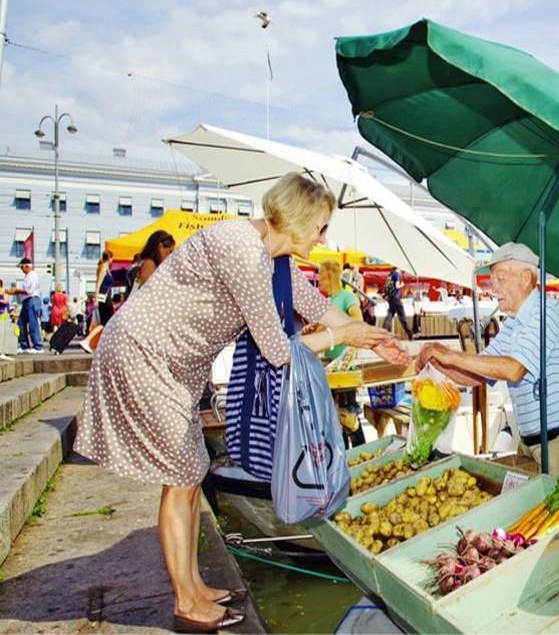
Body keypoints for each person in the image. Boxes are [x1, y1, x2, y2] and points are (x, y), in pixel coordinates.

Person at [75, 173, 409, 632]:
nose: (324, 237)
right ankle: (186, 601)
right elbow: (277, 349)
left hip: (172, 365)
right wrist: (341, 335)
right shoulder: (242, 249)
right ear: (300, 217)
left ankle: (193, 586)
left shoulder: (272, 256)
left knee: (190, 473)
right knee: (183, 476)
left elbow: (318, 309)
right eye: (321, 226)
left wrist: (375, 340)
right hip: (146, 355)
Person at [417, 242, 559, 475]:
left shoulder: (547, 312)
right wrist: (438, 364)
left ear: (525, 278)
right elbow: (476, 375)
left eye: (500, 279)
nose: (493, 288)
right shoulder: (513, 324)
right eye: (492, 281)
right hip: (530, 443)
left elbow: (513, 370)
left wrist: (449, 355)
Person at [317, 259, 366, 448]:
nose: (319, 280)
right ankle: (344, 458)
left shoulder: (347, 297)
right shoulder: (328, 301)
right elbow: (320, 330)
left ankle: (361, 453)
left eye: (321, 275)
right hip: (331, 367)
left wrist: (340, 334)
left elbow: (357, 319)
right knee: (336, 419)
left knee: (348, 416)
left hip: (345, 367)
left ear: (329, 276)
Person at [7, 258, 44, 353]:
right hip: (27, 301)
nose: (21, 270)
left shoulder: (32, 275)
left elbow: (29, 290)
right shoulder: (28, 276)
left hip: (32, 300)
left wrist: (16, 290)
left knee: (33, 323)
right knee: (21, 323)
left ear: (27, 266)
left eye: (22, 267)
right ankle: (24, 345)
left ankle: (38, 346)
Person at [382, 265, 414, 340]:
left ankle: (383, 333)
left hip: (391, 298)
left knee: (389, 316)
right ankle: (410, 334)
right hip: (396, 298)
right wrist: (402, 284)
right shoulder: (397, 274)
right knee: (402, 317)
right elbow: (396, 286)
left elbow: (386, 286)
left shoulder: (390, 275)